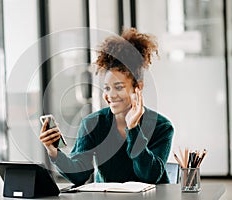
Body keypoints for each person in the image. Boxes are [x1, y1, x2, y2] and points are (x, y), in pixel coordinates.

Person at [39, 28, 174, 186]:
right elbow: (80, 175)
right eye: (107, 88)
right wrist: (54, 152)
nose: (111, 95)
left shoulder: (161, 127)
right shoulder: (93, 123)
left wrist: (133, 128)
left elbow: (149, 176)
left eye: (118, 87)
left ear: (138, 87)